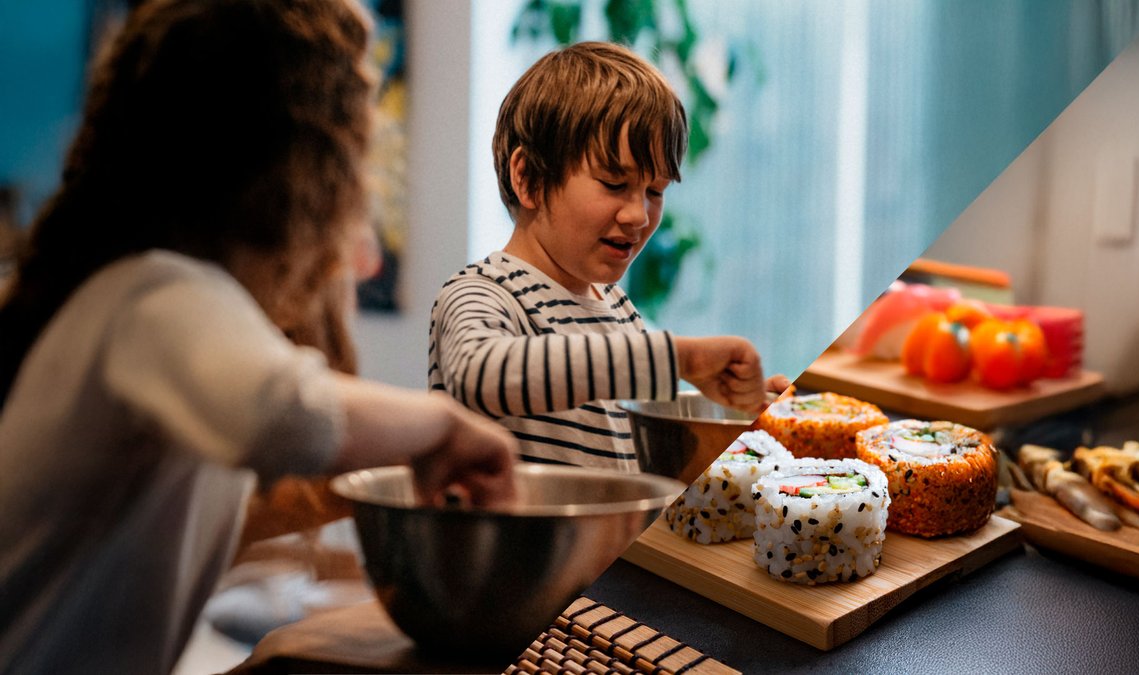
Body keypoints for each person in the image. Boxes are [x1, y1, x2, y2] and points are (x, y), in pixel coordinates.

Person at [0, 1, 516, 673]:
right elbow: (284, 413)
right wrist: (446, 426)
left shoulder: (142, 299)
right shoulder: (155, 293)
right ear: (299, 173)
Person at [428, 42, 788, 471]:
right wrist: (680, 358)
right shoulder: (481, 294)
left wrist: (739, 409)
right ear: (528, 180)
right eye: (614, 183)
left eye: (655, 191)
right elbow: (479, 373)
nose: (638, 214)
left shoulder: (618, 309)